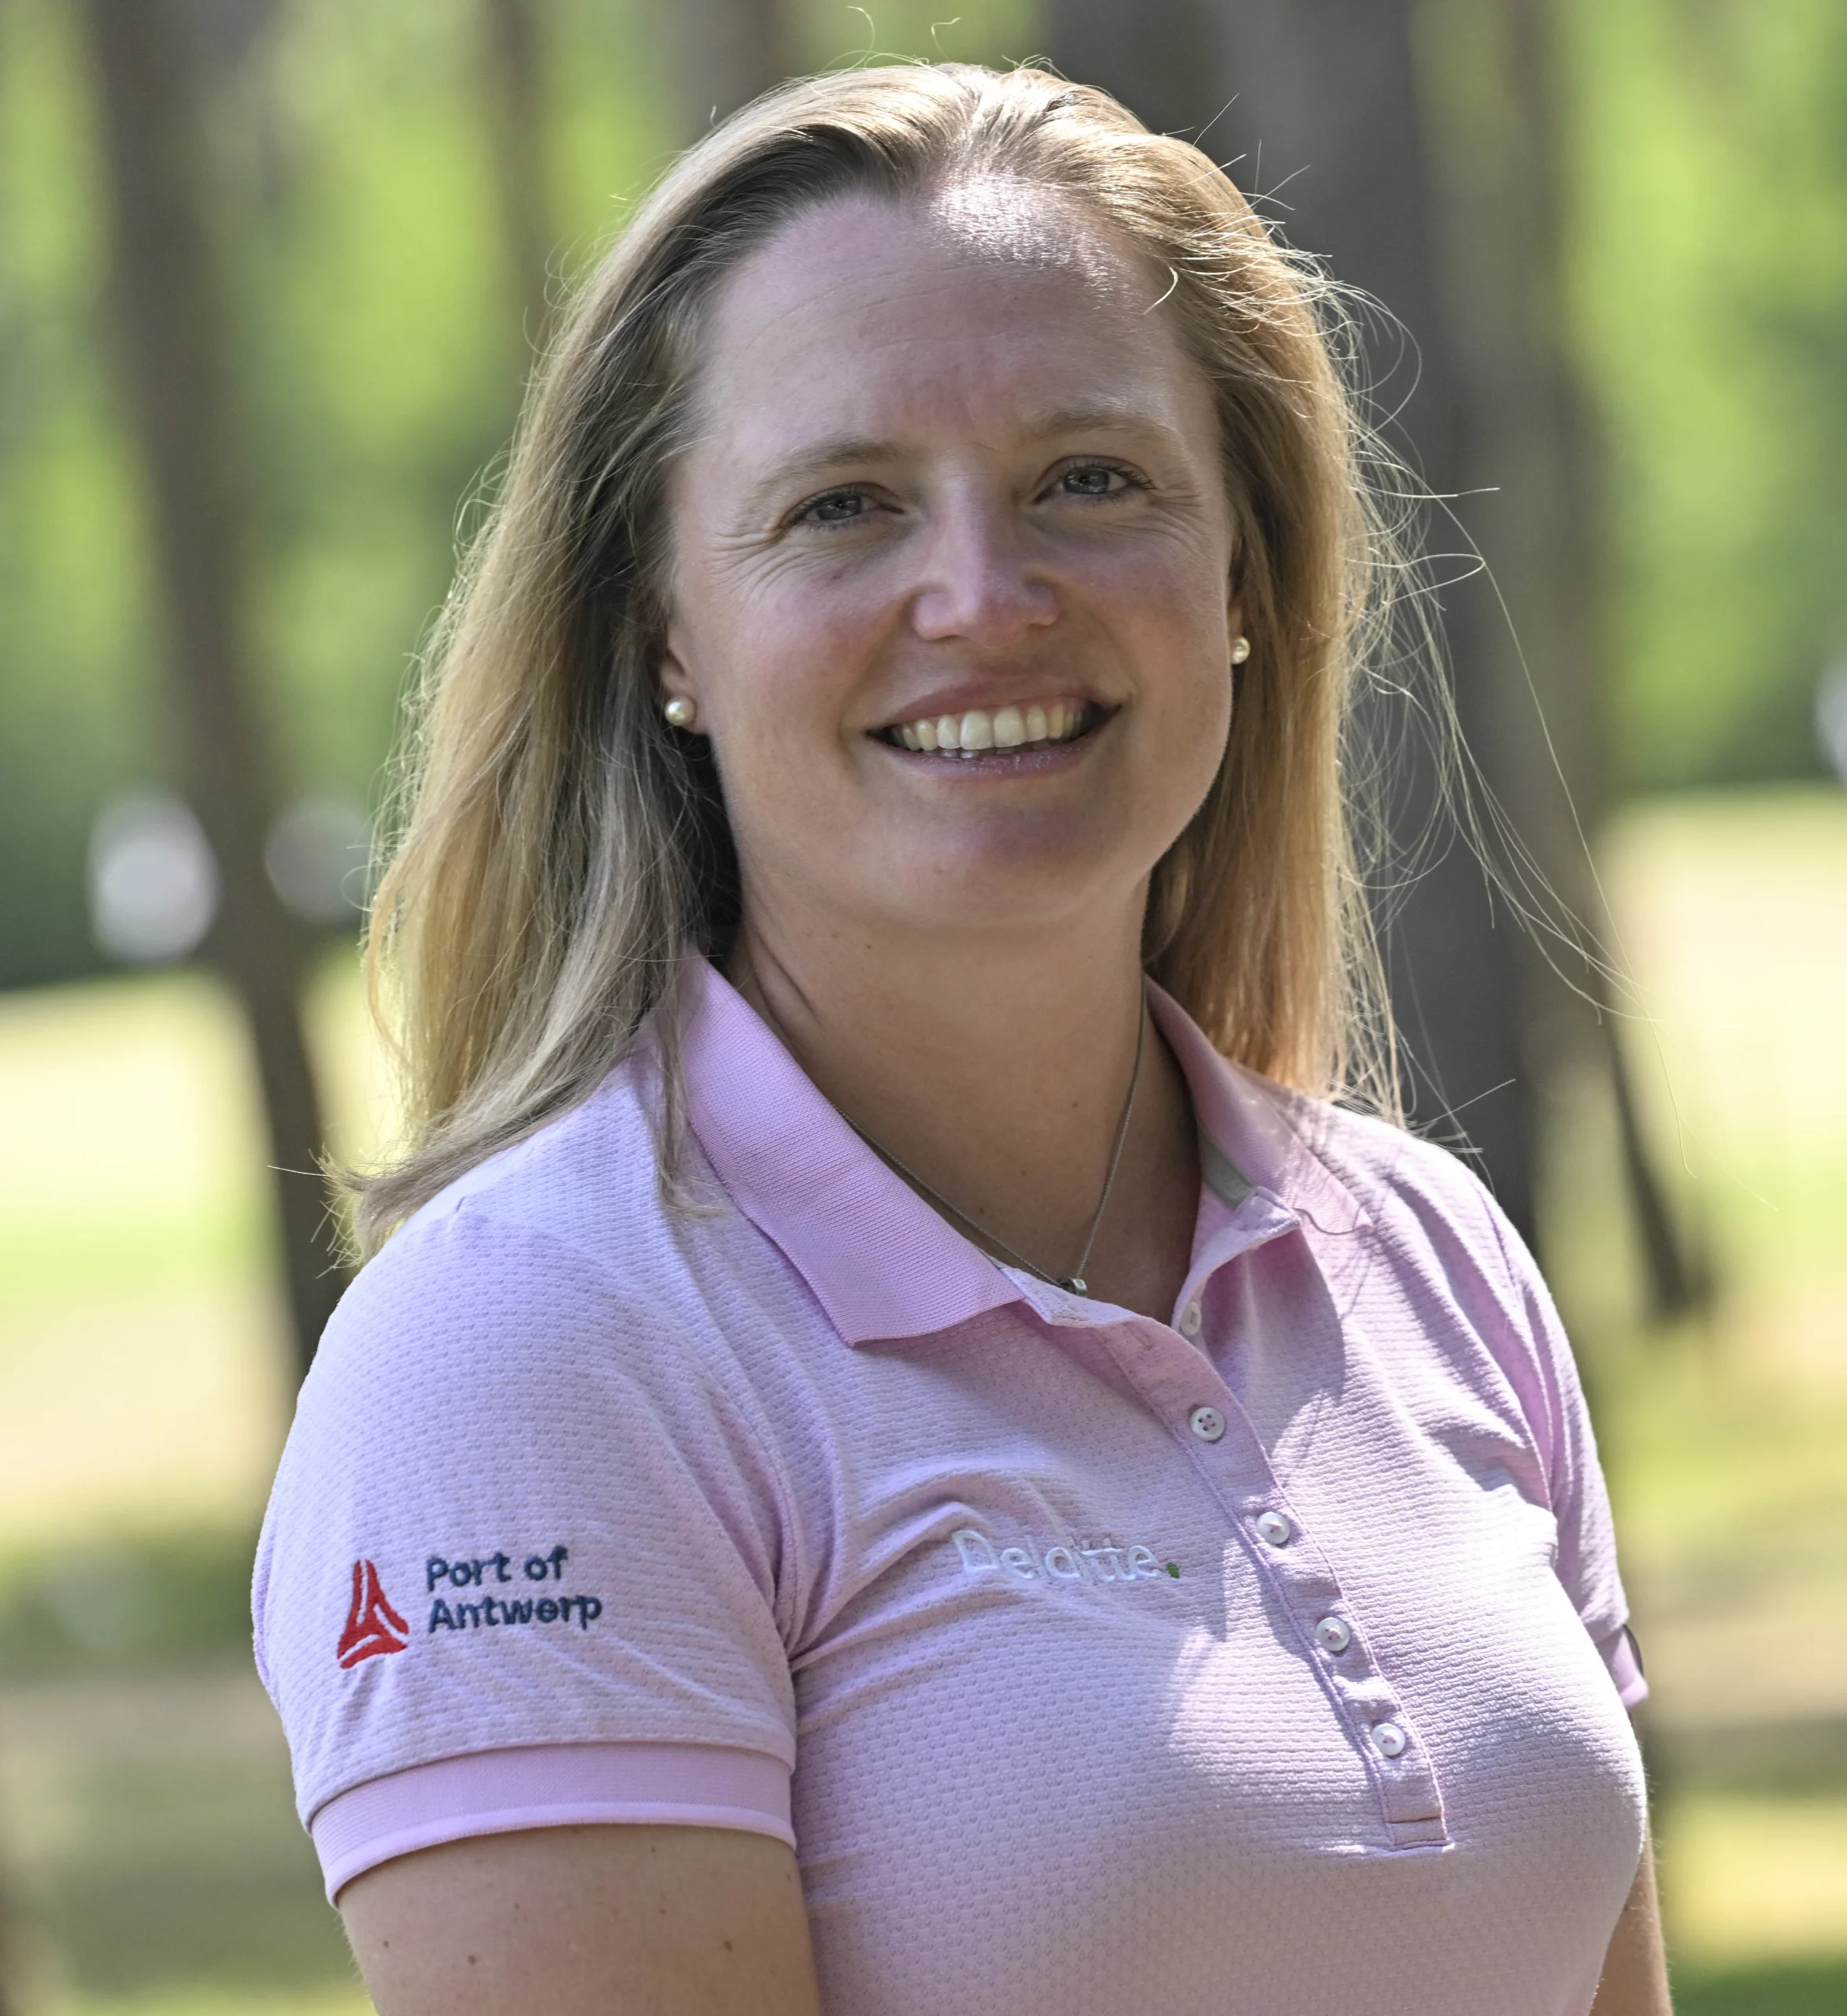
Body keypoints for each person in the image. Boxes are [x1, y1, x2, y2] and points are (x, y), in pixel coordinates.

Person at [250, 62, 1666, 2016]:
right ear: (665, 629)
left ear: (1242, 575)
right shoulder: (535, 1348)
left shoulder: (1430, 1260)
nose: (986, 597)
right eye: (845, 505)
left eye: (1093, 479)